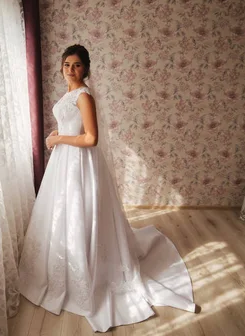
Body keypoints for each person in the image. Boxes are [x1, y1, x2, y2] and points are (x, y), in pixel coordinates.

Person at [17, 45, 196, 332]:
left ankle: (86, 269)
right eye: (66, 65)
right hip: (64, 162)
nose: (71, 70)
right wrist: (57, 133)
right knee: (62, 212)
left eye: (76, 65)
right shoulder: (69, 94)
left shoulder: (84, 96)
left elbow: (91, 139)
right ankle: (62, 266)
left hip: (79, 163)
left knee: (79, 211)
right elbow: (70, 125)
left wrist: (59, 139)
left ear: (86, 68)